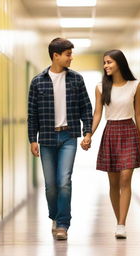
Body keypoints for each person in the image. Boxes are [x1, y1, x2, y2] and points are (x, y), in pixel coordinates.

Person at [28, 38, 92, 240]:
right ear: (56, 56)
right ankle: (55, 216)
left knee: (64, 181)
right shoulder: (38, 81)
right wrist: (32, 139)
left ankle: (63, 224)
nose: (71, 58)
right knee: (50, 184)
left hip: (68, 136)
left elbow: (86, 108)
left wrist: (88, 132)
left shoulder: (76, 79)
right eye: (68, 54)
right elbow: (32, 114)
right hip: (46, 137)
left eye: (71, 54)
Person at [81, 49, 140, 239]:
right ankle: (118, 218)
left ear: (119, 63)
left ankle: (121, 224)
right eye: (104, 63)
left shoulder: (135, 85)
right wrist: (88, 134)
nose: (106, 66)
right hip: (110, 132)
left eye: (109, 62)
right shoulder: (101, 87)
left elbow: (139, 114)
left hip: (129, 132)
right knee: (114, 182)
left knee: (126, 178)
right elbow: (97, 113)